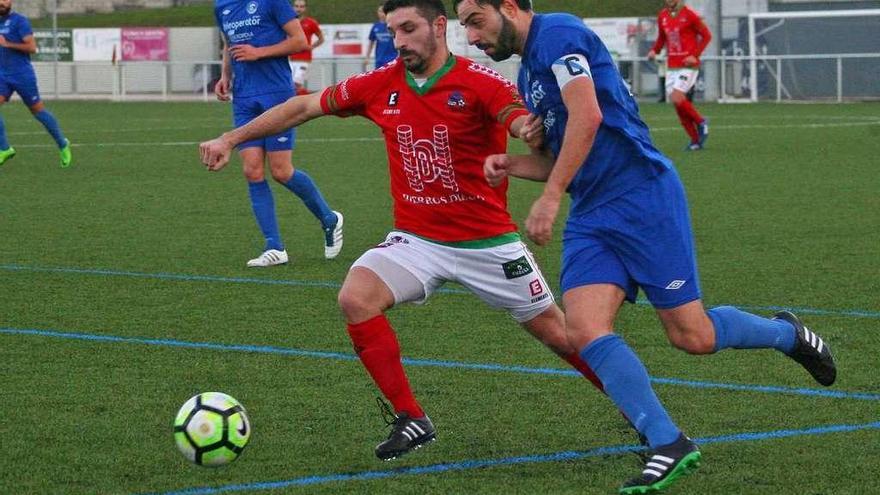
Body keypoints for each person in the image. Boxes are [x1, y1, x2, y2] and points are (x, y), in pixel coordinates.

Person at [201, 0, 611, 462]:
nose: (399, 41)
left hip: (488, 243)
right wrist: (231, 139)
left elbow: (518, 121)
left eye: (409, 29)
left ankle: (638, 412)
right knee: (356, 298)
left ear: (439, 27)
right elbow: (301, 107)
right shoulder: (381, 84)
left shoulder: (480, 82)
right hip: (417, 240)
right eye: (393, 31)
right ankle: (411, 418)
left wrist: (527, 129)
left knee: (559, 335)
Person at [453, 0, 837, 493]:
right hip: (592, 212)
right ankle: (668, 441)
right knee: (585, 328)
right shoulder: (529, 74)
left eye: (474, 21)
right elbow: (563, 156)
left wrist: (549, 198)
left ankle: (786, 334)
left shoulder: (559, 34)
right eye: (464, 26)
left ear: (508, 7)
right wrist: (512, 164)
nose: (471, 36)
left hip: (642, 197)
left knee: (692, 336)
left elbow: (588, 117)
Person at [214, 0, 343, 266]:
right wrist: (225, 74)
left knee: (281, 171)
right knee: (251, 170)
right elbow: (229, 45)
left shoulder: (273, 1)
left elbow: (300, 42)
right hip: (244, 97)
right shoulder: (222, 5)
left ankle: (329, 218)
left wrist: (258, 52)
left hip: (277, 95)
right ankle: (274, 247)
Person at [0, 0, 72, 168]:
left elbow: (32, 47)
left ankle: (62, 144)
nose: (1, 3)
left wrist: (7, 44)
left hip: (22, 75)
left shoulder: (20, 21)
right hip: (2, 75)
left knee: (38, 111)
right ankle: (5, 149)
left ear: (10, 1)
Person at [646, 0, 711, 151]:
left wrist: (695, 55)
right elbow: (662, 38)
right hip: (672, 66)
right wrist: (654, 51)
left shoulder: (690, 15)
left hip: (688, 66)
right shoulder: (662, 15)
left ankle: (701, 122)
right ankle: (695, 141)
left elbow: (706, 36)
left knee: (677, 96)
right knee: (677, 105)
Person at [288, 0, 324, 95]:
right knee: (289, 85)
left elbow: (321, 39)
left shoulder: (311, 23)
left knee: (296, 84)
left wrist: (311, 47)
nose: (299, 9)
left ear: (305, 8)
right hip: (290, 59)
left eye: (301, 6)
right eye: (296, 6)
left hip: (304, 59)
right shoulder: (288, 22)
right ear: (293, 7)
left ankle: (308, 105)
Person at [364, 3, 397, 70]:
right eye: (379, 11)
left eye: (383, 11)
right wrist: (367, 57)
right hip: (379, 61)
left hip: (392, 60)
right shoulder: (375, 26)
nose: (381, 13)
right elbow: (371, 43)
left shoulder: (393, 25)